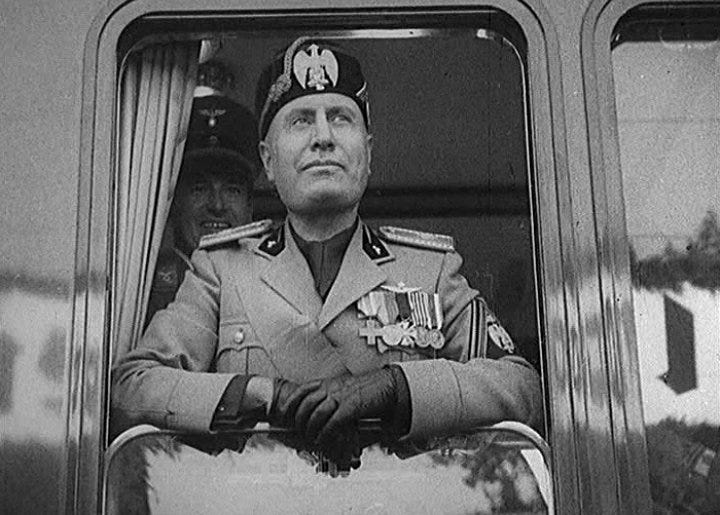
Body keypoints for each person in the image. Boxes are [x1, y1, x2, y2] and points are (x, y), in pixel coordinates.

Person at [112, 38, 542, 463]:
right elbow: (132, 387)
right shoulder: (221, 270)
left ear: (368, 153)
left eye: (340, 118)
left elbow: (522, 388)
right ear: (268, 160)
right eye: (301, 121)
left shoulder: (430, 269)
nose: (323, 137)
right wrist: (264, 394)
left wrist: (395, 387)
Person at [145, 94, 258, 323]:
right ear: (173, 203)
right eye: (199, 189)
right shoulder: (142, 290)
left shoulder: (271, 286)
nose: (217, 205)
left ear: (250, 207)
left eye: (232, 190)